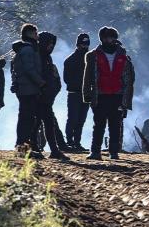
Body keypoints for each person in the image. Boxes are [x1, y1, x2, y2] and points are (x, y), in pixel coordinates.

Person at [82, 26, 135, 160]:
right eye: (105, 37)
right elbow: (88, 77)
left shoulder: (124, 57)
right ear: (101, 39)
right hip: (100, 95)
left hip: (117, 95)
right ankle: (95, 151)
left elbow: (129, 80)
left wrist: (126, 100)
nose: (108, 40)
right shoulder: (92, 56)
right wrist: (87, 94)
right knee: (98, 124)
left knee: (115, 125)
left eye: (111, 37)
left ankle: (114, 152)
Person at [33, 31, 69, 159]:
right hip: (38, 95)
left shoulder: (47, 57)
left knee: (46, 123)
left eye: (53, 44)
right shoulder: (37, 56)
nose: (51, 47)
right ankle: (37, 148)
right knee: (38, 123)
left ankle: (52, 149)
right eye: (49, 44)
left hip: (46, 96)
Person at [11, 24, 45, 158]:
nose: (37, 36)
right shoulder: (28, 50)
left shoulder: (23, 50)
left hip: (25, 89)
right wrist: (41, 82)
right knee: (27, 118)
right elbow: (29, 69)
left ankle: (23, 146)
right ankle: (22, 147)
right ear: (30, 34)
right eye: (36, 33)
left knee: (26, 118)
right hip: (28, 89)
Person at [63, 33, 91, 152]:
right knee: (73, 118)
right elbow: (66, 79)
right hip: (74, 93)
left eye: (86, 44)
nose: (85, 46)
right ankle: (70, 142)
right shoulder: (70, 60)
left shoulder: (91, 59)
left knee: (81, 119)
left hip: (85, 94)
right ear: (78, 44)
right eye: (82, 44)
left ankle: (77, 142)